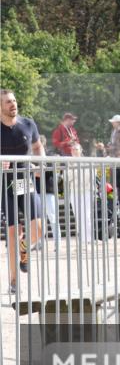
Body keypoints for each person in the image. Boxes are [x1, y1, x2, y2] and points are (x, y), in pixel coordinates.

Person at [1, 89, 44, 295]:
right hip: (4, 184)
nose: (13, 104)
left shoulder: (28, 124)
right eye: (8, 102)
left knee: (38, 229)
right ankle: (13, 281)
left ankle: (24, 247)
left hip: (24, 181)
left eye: (14, 100)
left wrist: (40, 164)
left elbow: (37, 147)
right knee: (11, 233)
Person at [64, 143, 95, 245]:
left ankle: (89, 239)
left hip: (86, 191)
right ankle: (82, 239)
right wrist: (76, 172)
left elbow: (90, 176)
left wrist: (75, 174)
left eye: (76, 149)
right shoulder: (69, 163)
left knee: (86, 215)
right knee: (77, 215)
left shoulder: (87, 162)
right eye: (72, 149)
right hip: (74, 192)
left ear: (81, 150)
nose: (74, 151)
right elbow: (67, 178)